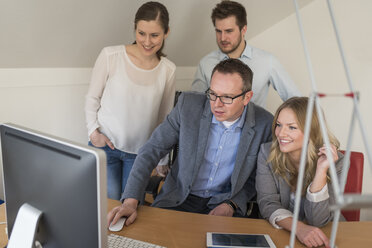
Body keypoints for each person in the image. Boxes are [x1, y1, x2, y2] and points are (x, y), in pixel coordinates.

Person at [107, 58, 273, 227]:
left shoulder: (265, 124)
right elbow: (151, 150)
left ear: (247, 97)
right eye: (213, 94)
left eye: (227, 97)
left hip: (224, 203)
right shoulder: (188, 106)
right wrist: (130, 201)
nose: (216, 104)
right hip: (179, 199)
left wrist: (232, 204)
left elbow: (255, 178)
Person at [85, 2, 176, 200]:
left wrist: (161, 158)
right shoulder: (111, 55)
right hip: (105, 147)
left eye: (155, 35)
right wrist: (93, 132)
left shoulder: (168, 70)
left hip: (140, 156)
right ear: (135, 28)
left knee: (132, 211)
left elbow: (165, 119)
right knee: (106, 208)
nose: (147, 41)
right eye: (141, 33)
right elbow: (93, 97)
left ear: (166, 32)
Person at [256, 97, 344, 248]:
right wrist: (299, 228)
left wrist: (321, 171)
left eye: (291, 127)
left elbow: (319, 221)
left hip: (325, 236)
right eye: (278, 125)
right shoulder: (266, 152)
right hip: (281, 232)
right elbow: (267, 203)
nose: (281, 134)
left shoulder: (337, 162)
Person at [191, 0, 300, 108]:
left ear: (243, 30)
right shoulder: (206, 63)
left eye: (229, 31)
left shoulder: (267, 61)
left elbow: (296, 101)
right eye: (218, 31)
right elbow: (195, 105)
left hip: (256, 124)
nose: (223, 38)